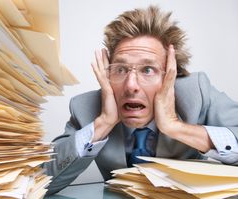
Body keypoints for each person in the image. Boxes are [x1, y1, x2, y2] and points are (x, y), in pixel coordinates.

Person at [45, 5, 238, 195]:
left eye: (147, 70)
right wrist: (103, 124)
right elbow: (38, 180)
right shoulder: (85, 108)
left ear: (171, 76)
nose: (131, 86)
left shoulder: (195, 92)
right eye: (120, 69)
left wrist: (175, 127)